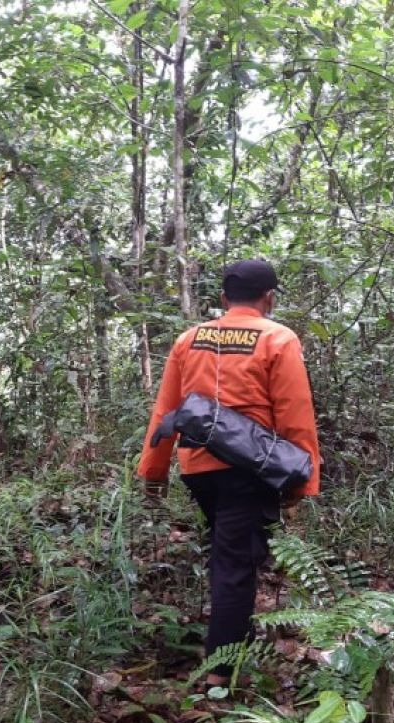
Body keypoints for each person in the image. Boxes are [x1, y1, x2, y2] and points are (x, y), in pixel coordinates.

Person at [138, 259, 320, 688]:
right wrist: (303, 480)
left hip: (199, 467)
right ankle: (219, 673)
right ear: (269, 298)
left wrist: (153, 471)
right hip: (249, 468)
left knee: (233, 553)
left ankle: (235, 638)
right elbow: (295, 413)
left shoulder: (189, 338)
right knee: (234, 564)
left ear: (223, 299)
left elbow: (167, 410)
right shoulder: (278, 337)